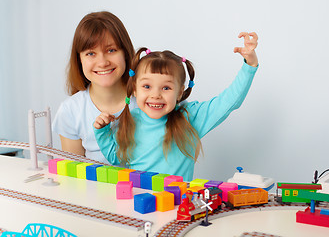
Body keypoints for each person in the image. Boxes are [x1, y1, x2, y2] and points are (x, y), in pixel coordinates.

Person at [93, 32, 259, 181]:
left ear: (179, 92)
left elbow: (228, 102)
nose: (156, 95)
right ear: (135, 89)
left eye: (166, 88)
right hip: (139, 205)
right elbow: (116, 158)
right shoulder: (131, 120)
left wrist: (249, 66)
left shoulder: (189, 117)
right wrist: (102, 132)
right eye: (147, 86)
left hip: (177, 206)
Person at [52, 11, 137, 164]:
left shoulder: (148, 100)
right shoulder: (70, 111)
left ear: (125, 52)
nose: (103, 62)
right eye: (91, 53)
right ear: (80, 60)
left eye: (111, 50)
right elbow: (74, 175)